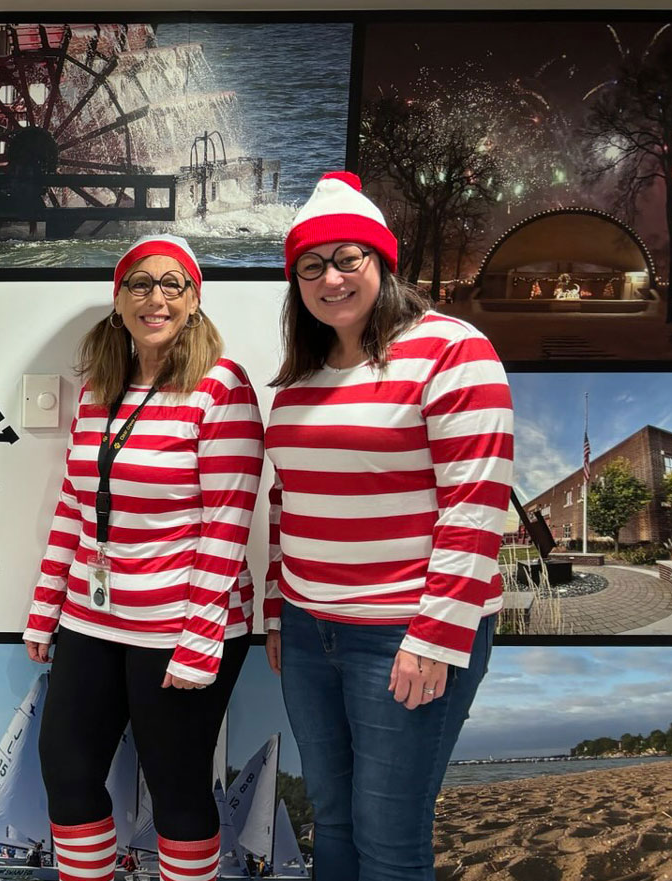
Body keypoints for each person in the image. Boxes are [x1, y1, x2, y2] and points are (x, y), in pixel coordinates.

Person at [265, 172, 512, 881]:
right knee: (332, 820)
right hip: (311, 632)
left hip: (406, 632)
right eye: (311, 265)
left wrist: (434, 636)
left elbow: (476, 504)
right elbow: (290, 503)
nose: (330, 278)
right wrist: (279, 611)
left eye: (349, 259)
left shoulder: (452, 350)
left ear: (382, 263)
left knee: (390, 838)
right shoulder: (297, 380)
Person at [24, 235, 263, 881]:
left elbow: (227, 523)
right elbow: (75, 505)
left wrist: (197, 641)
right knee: (67, 774)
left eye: (172, 284)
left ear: (193, 301)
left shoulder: (223, 386)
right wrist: (45, 609)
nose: (155, 298)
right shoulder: (102, 387)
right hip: (92, 617)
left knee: (177, 790)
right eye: (140, 283)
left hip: (183, 621)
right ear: (118, 299)